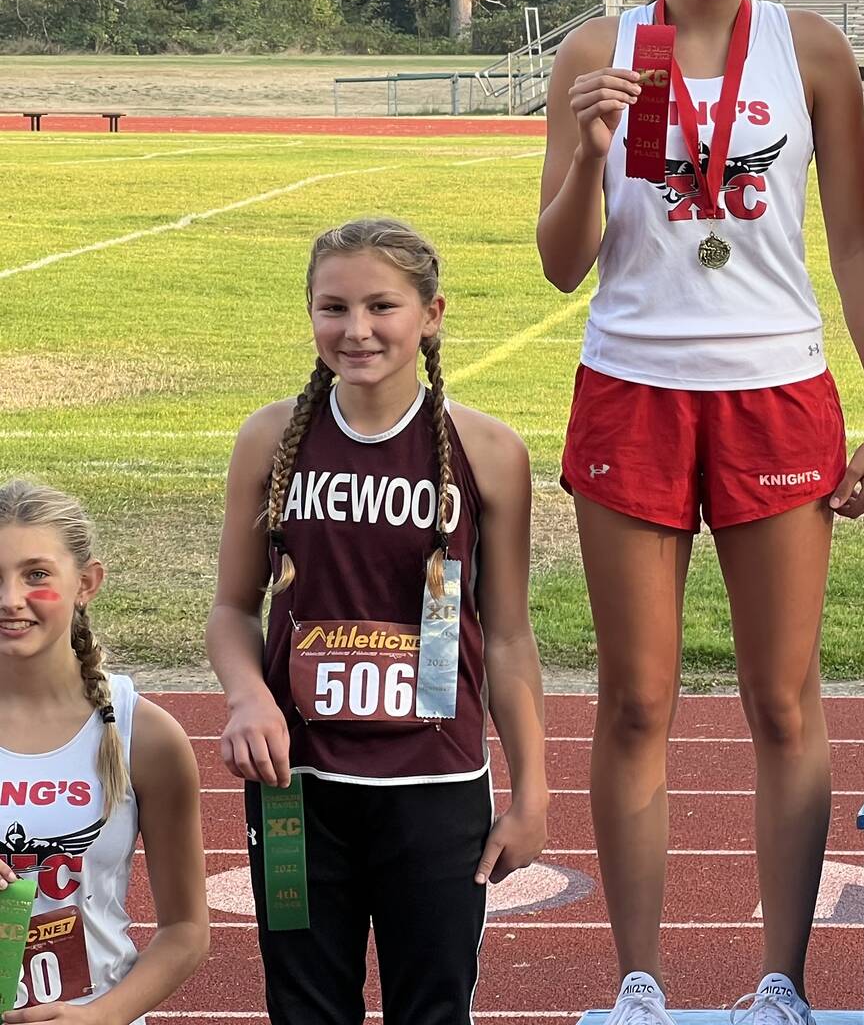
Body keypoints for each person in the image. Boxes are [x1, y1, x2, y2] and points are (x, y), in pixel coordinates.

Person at [540, 0, 864, 1024]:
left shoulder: (811, 54)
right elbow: (560, 265)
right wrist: (590, 152)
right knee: (635, 699)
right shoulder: (595, 50)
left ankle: (780, 982)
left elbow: (852, 244)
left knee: (782, 699)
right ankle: (638, 979)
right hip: (632, 390)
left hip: (775, 394)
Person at [207, 218, 547, 1025]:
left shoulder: (490, 452)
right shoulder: (267, 439)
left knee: (431, 1008)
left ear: (431, 314)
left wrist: (532, 789)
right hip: (297, 791)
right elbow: (231, 608)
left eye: (380, 307)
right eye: (333, 308)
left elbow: (506, 635)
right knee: (305, 1007)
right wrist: (248, 697)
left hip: (435, 785)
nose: (355, 330)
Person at [0, 478, 206, 1025]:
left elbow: (186, 931)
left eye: (36, 575)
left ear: (86, 583)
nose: (10, 599)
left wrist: (103, 1016)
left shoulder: (146, 735)